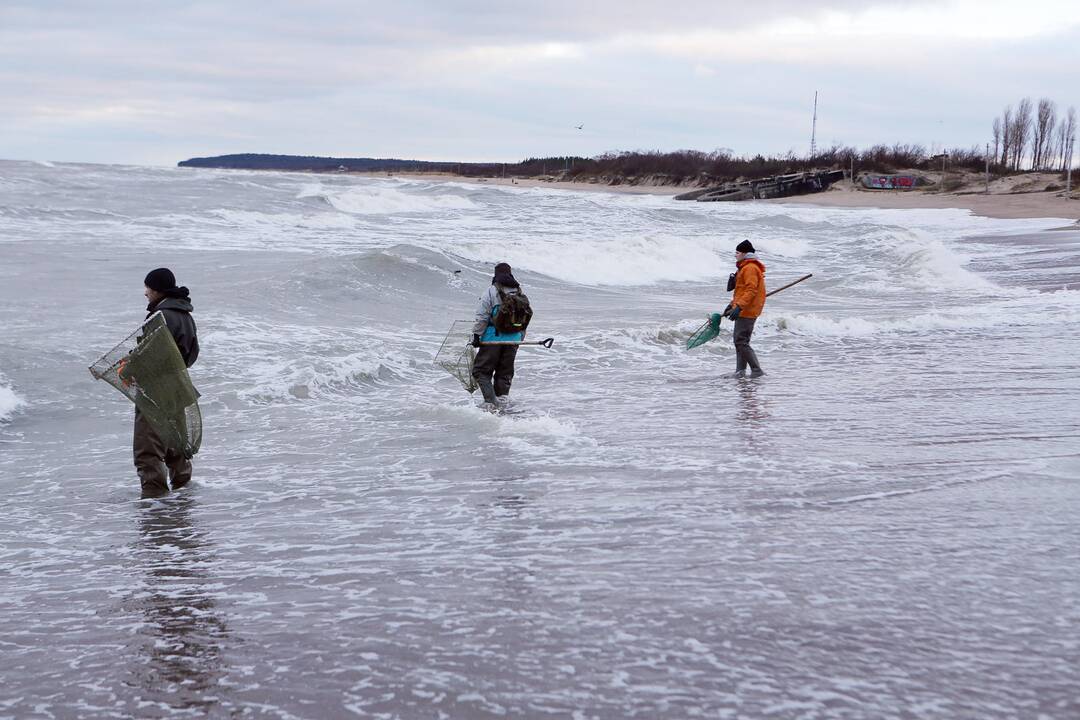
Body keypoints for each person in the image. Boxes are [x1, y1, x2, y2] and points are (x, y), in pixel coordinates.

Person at [135, 268, 199, 497]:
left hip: (155, 391)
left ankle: (154, 506)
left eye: (148, 288)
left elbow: (151, 355)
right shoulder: (185, 315)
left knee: (148, 451)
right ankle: (184, 497)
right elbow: (192, 352)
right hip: (179, 387)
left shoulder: (160, 316)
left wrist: (129, 367)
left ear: (158, 289)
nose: (145, 293)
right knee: (176, 445)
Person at [471, 262, 524, 406]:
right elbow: (524, 319)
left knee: (481, 371)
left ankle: (491, 403)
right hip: (514, 340)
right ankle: (503, 405)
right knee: (504, 374)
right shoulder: (519, 292)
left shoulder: (491, 291)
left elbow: (482, 316)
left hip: (492, 339)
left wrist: (476, 335)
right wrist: (519, 339)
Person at [723, 240, 766, 378]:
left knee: (741, 341)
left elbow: (751, 290)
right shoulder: (744, 267)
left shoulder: (750, 268)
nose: (735, 255)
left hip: (748, 310)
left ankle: (757, 370)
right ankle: (740, 372)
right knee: (740, 341)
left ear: (745, 254)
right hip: (744, 308)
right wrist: (732, 305)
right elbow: (741, 291)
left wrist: (739, 306)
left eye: (737, 252)